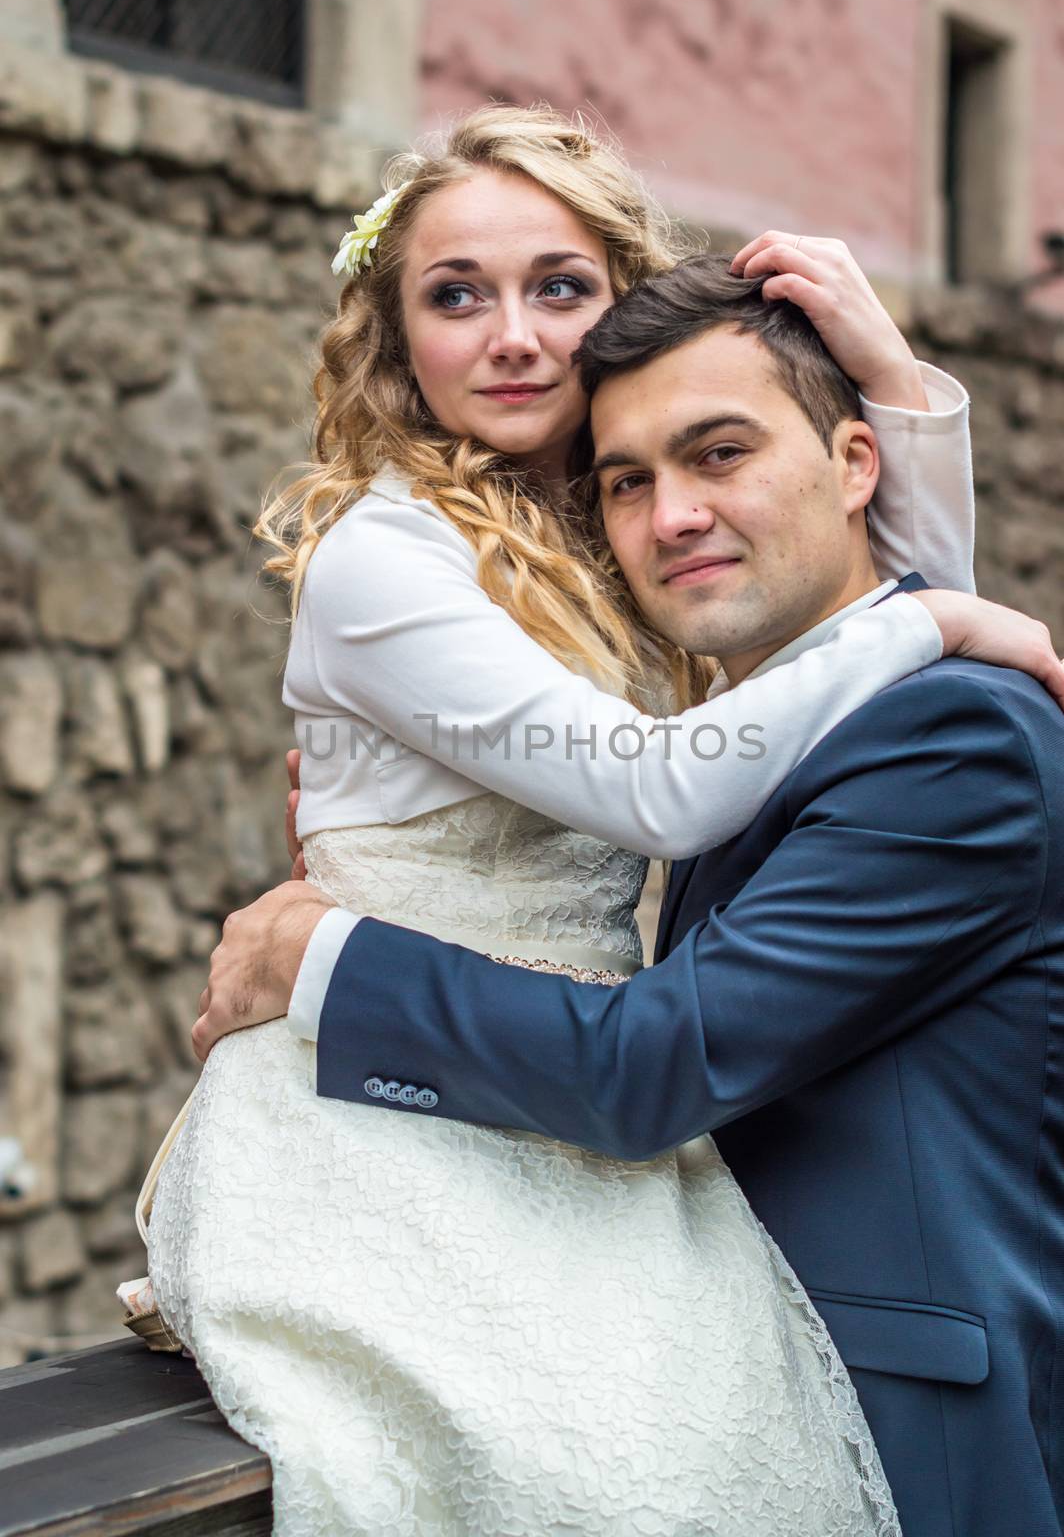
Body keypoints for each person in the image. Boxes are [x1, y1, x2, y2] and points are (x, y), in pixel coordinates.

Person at [144, 107, 1058, 1537]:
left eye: (560, 289)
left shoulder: (598, 540)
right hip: (433, 1108)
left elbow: (830, 628)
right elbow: (745, 723)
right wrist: (928, 609)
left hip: (597, 1116)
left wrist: (900, 398)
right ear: (397, 336)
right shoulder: (392, 556)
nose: (512, 336)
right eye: (457, 295)